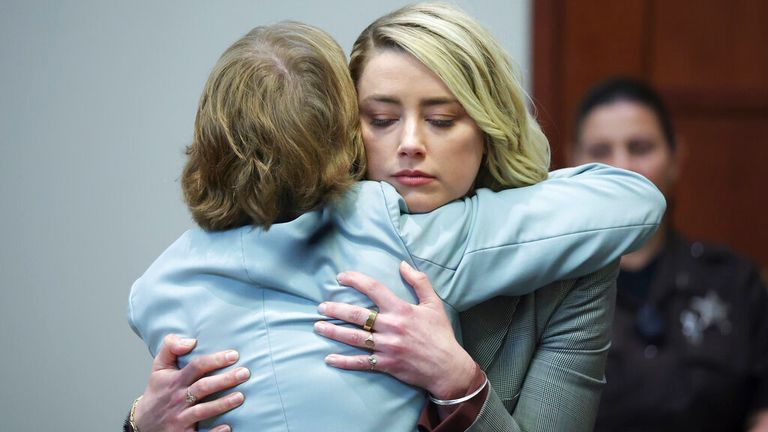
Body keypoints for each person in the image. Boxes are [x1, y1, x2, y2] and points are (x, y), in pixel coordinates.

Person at [127, 6, 664, 432]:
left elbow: (629, 198)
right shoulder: (288, 232)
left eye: (441, 119)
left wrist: (459, 383)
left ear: (487, 127)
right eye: (380, 119)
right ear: (341, 130)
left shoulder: (574, 265)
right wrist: (138, 426)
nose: (410, 144)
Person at [571, 77, 768, 432]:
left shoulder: (735, 281)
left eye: (641, 147)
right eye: (601, 151)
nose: (622, 167)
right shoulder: (548, 290)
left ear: (675, 158)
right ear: (575, 164)